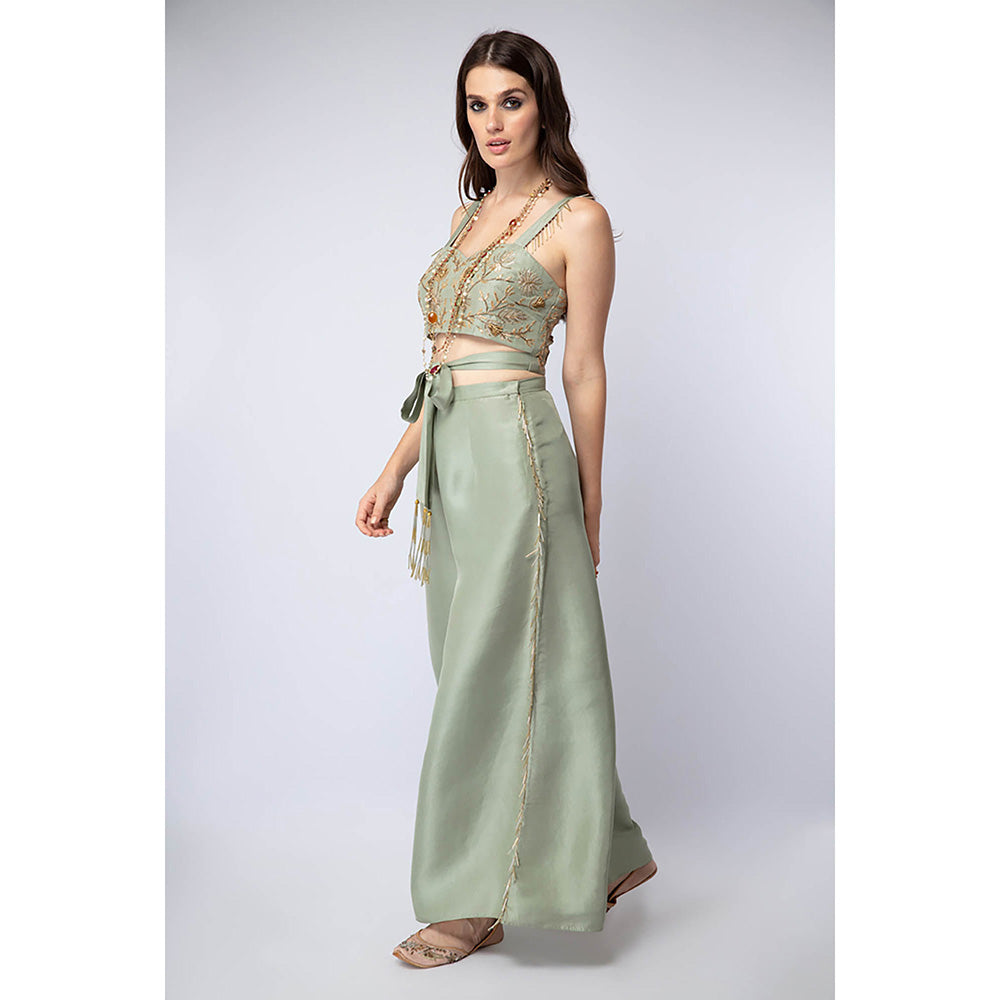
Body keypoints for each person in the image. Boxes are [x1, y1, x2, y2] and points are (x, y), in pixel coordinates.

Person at [355, 30, 656, 968]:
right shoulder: (466, 218)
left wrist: (591, 501)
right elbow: (444, 363)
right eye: (477, 104)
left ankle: (470, 898)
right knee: (477, 666)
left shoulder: (579, 220)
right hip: (452, 460)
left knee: (493, 675)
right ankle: (604, 849)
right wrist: (396, 468)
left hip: (520, 456)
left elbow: (585, 369)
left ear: (543, 107)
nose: (492, 122)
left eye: (511, 101)